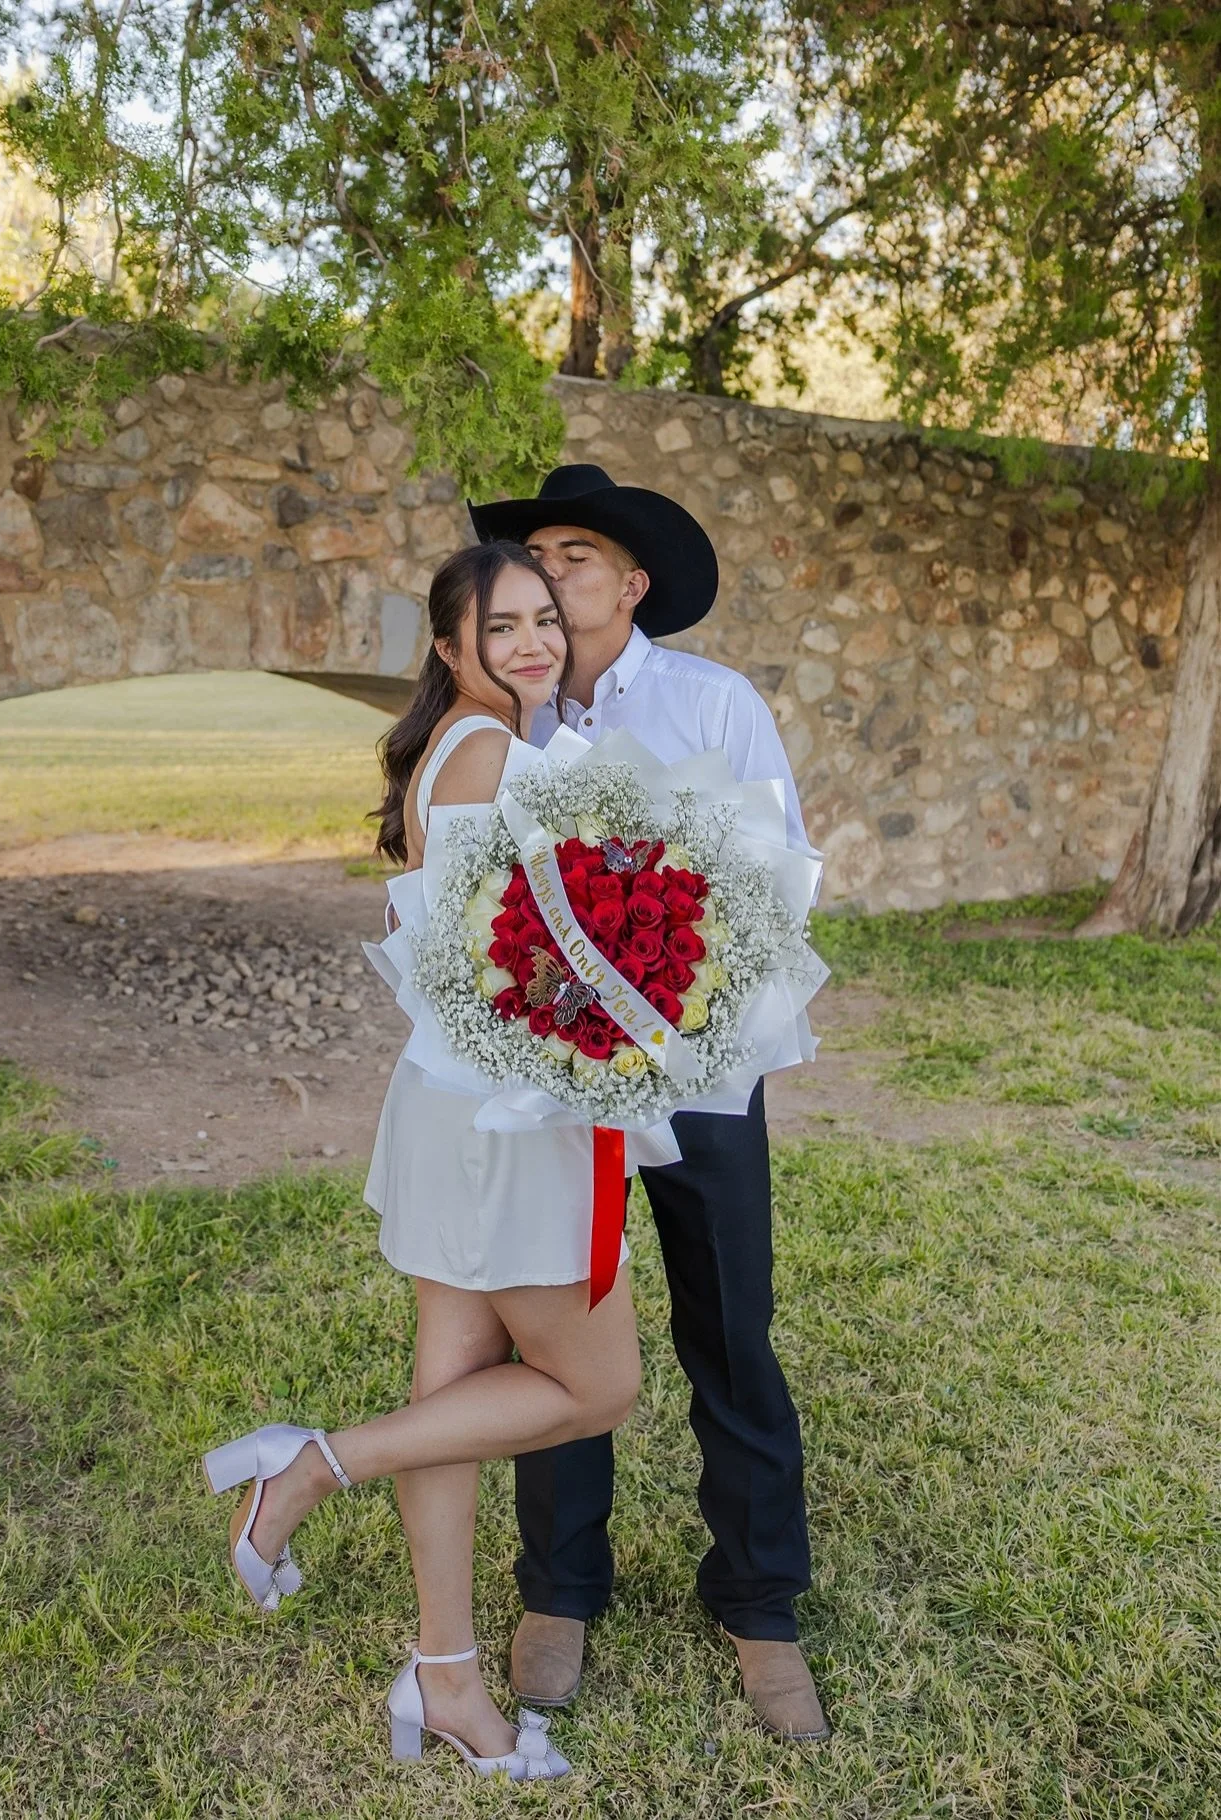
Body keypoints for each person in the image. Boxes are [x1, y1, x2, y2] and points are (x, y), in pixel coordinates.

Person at [203, 540, 650, 1786]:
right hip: (508, 1119)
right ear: (450, 648)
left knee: (451, 1393)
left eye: (543, 620)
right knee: (596, 1387)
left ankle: (446, 1675)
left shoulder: (460, 745)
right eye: (499, 627)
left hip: (457, 1107)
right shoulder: (490, 750)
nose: (531, 644)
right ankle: (311, 1465)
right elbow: (499, 969)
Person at [468, 464, 830, 1742]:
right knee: (558, 1340)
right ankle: (560, 1586)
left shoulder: (714, 704)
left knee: (731, 1328)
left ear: (631, 584)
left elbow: (779, 881)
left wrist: (680, 1020)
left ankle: (761, 1600)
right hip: (554, 1092)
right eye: (535, 553)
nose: (548, 572)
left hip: (707, 1071)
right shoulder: (495, 716)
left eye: (575, 553)